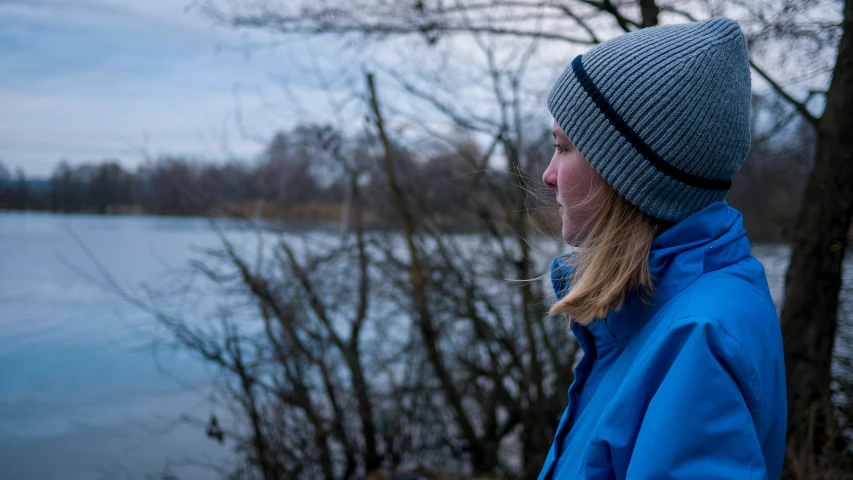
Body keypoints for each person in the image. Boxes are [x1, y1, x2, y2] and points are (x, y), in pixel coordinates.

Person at [538, 17, 787, 480]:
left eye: (564, 147)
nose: (548, 175)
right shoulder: (655, 310)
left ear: (629, 175)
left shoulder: (698, 339)